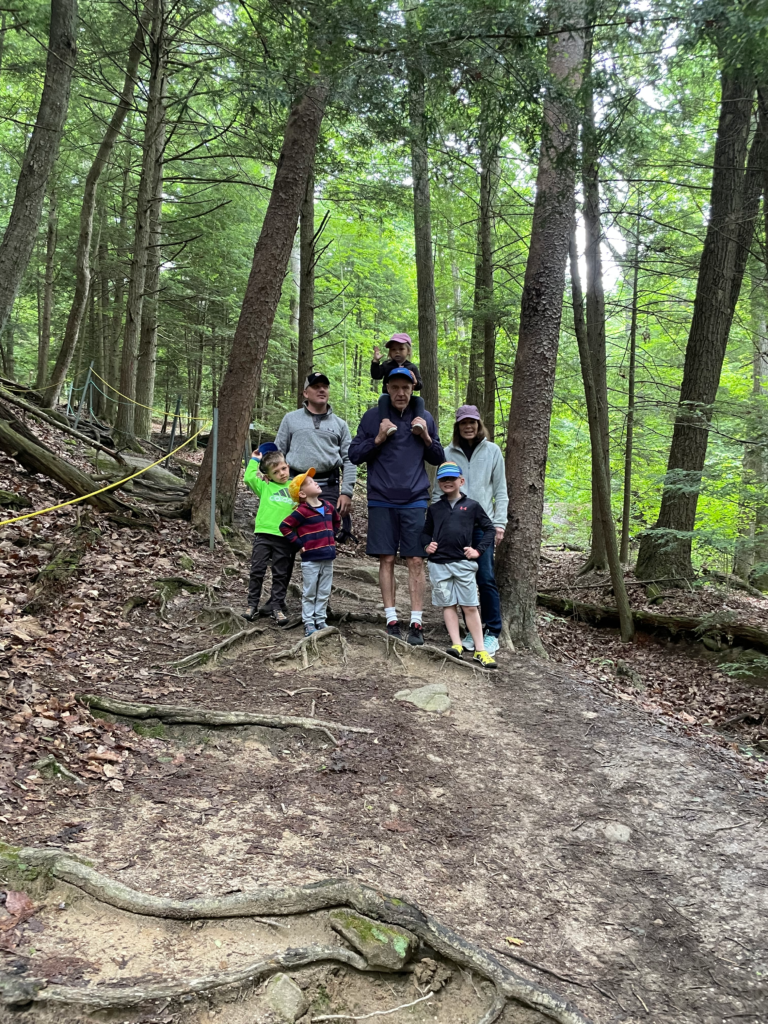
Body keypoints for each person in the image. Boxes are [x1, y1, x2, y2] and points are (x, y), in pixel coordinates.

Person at [349, 366, 444, 645]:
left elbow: (438, 456)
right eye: (395, 387)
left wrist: (425, 436)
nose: (401, 393)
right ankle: (391, 618)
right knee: (387, 558)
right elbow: (354, 455)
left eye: (406, 387)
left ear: (413, 388)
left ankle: (416, 621)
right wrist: (377, 438)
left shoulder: (424, 417)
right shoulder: (372, 417)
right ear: (387, 388)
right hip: (381, 498)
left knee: (415, 559)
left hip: (415, 498)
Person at [433, 405, 508, 656]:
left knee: (485, 577)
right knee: (458, 579)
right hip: (454, 529)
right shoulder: (447, 452)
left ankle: (492, 632)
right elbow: (438, 490)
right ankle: (470, 632)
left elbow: (500, 491)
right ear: (457, 426)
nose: (468, 427)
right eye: (463, 423)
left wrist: (499, 523)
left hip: (481, 527)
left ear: (479, 424)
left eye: (472, 422)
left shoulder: (492, 451)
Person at [421, 462, 497, 669]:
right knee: (448, 604)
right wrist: (427, 545)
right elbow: (425, 532)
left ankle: (481, 649)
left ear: (461, 481)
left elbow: (489, 529)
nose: (448, 482)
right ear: (438, 483)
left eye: (452, 479)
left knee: (470, 605)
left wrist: (478, 551)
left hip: (463, 564)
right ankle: (457, 644)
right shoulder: (435, 508)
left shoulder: (472, 506)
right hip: (439, 565)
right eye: (443, 479)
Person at [275, 372, 357, 528]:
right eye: (316, 386)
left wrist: (346, 492)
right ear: (306, 393)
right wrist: (269, 474)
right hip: (295, 487)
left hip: (328, 488)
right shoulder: (290, 419)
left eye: (325, 387)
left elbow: (349, 459)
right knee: (290, 534)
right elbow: (279, 453)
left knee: (323, 538)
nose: (322, 390)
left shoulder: (340, 424)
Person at [279, 469, 341, 637]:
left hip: (328, 557)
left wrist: (330, 536)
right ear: (302, 494)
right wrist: (299, 543)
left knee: (324, 591)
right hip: (310, 560)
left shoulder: (328, 506)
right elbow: (285, 526)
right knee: (310, 592)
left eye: (314, 481)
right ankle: (308, 622)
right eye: (310, 483)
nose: (316, 483)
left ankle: (321, 619)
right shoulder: (302, 511)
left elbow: (337, 520)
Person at [242, 447, 297, 625]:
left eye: (283, 468)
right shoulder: (265, 487)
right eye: (275, 472)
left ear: (288, 466)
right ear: (268, 475)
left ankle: (277, 607)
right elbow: (249, 477)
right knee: (257, 571)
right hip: (264, 535)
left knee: (280, 574)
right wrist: (255, 460)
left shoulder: (296, 488)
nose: (281, 474)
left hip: (285, 538)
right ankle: (252, 605)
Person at [371, 333, 424, 429]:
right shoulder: (387, 365)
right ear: (389, 352)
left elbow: (420, 385)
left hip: (407, 397)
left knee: (419, 400)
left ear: (408, 351)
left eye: (401, 349)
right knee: (383, 398)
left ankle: (418, 422)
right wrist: (375, 362)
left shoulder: (412, 367)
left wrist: (415, 382)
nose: (397, 352)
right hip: (388, 396)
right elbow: (376, 375)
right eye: (393, 349)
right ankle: (385, 422)